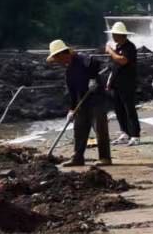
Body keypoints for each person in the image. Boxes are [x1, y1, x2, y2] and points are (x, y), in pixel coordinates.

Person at [45, 38, 112, 167]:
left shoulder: (81, 59)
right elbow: (72, 93)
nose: (58, 62)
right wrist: (71, 109)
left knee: (100, 128)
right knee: (79, 129)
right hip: (82, 101)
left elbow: (95, 62)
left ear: (63, 54)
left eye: (58, 58)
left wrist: (93, 79)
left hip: (96, 99)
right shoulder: (69, 72)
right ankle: (77, 157)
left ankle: (105, 158)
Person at [105, 21, 141, 146]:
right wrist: (110, 81)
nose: (113, 36)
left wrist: (110, 51)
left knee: (129, 109)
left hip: (127, 83)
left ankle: (135, 135)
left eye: (115, 34)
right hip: (117, 83)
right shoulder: (118, 48)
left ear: (121, 35)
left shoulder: (129, 47)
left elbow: (122, 61)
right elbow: (114, 67)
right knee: (119, 110)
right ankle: (125, 132)